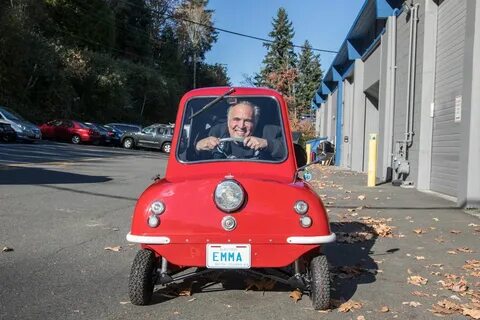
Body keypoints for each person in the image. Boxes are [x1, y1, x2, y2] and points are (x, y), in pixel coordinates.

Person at [195, 101, 284, 160]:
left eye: (248, 121)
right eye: (236, 119)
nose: (241, 126)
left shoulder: (270, 132)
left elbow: (290, 153)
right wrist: (198, 146)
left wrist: (268, 144)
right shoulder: (215, 132)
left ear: (255, 122)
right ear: (228, 120)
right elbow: (187, 157)